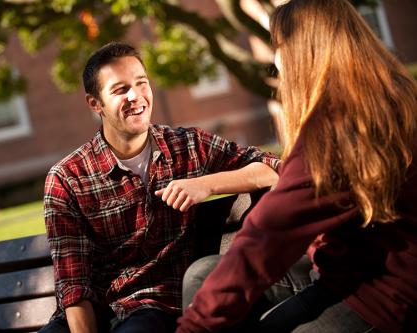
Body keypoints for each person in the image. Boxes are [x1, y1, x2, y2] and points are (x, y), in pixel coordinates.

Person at [176, 0, 417, 332]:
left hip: (384, 294)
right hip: (342, 271)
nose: (276, 60)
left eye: (279, 46)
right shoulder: (387, 95)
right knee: (204, 276)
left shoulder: (338, 127)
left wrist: (193, 328)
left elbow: (268, 235)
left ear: (302, 51)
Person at [40, 42, 280, 333]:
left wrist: (205, 184)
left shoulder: (188, 147)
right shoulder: (67, 177)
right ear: (95, 104)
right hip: (85, 318)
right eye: (120, 90)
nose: (136, 96)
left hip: (151, 308)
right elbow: (74, 284)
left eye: (141, 83)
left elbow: (273, 167)